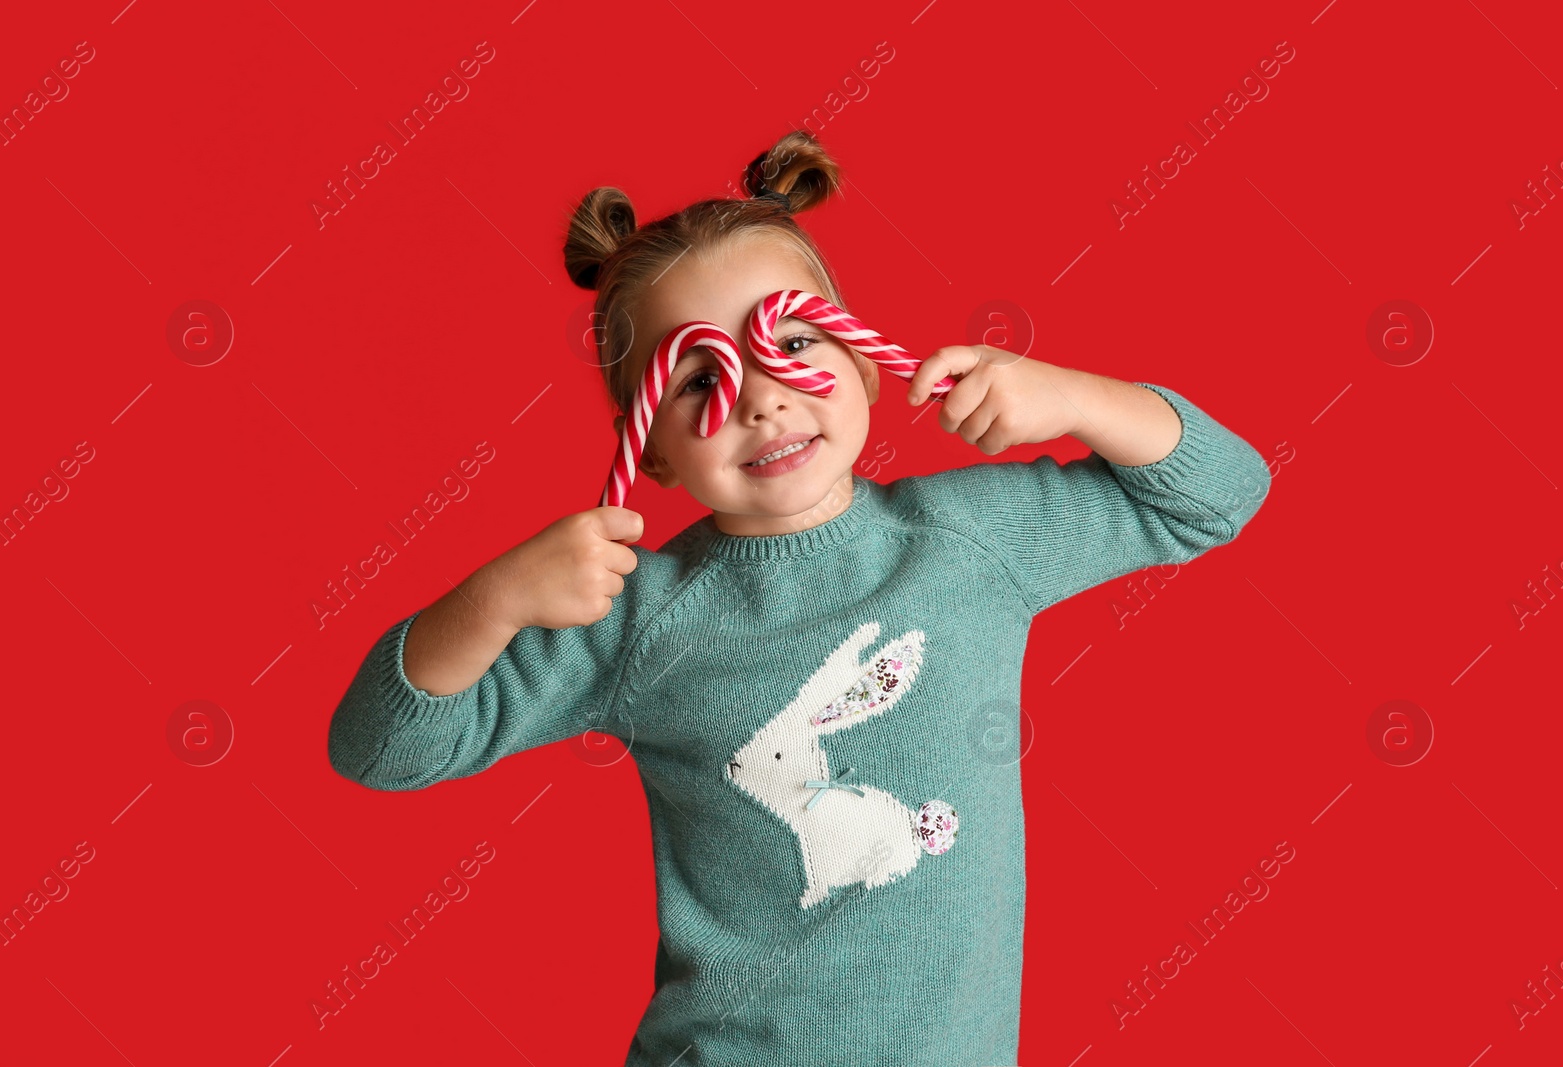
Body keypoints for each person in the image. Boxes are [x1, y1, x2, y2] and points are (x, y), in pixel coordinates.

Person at [326, 129, 1272, 1065]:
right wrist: (495, 599)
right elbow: (380, 748)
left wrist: (1074, 398)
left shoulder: (971, 540)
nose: (762, 398)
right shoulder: (633, 613)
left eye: (792, 342)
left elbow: (1223, 493)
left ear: (862, 359)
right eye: (702, 375)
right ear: (651, 446)